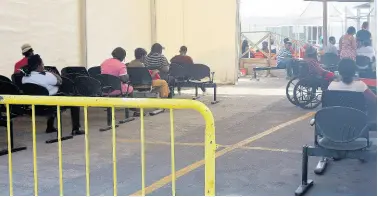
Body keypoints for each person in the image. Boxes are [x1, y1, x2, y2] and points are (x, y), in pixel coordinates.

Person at [21, 54, 84, 135]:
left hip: (35, 107)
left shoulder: (24, 78)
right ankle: (76, 129)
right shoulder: (47, 76)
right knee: (74, 101)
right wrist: (52, 73)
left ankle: (50, 127)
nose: (43, 66)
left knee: (51, 98)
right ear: (38, 66)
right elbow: (60, 81)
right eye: (42, 64)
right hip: (50, 105)